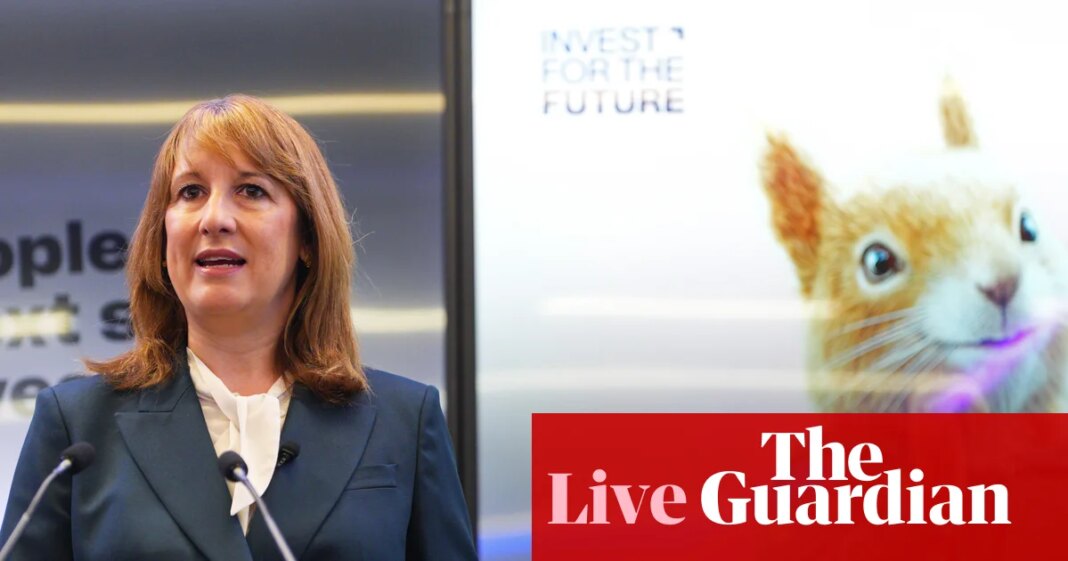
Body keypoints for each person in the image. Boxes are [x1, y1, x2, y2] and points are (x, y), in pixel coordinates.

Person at [0, 95, 478, 560]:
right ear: (162, 237)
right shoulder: (77, 426)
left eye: (251, 191)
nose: (214, 219)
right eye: (190, 192)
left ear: (308, 238)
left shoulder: (404, 420)